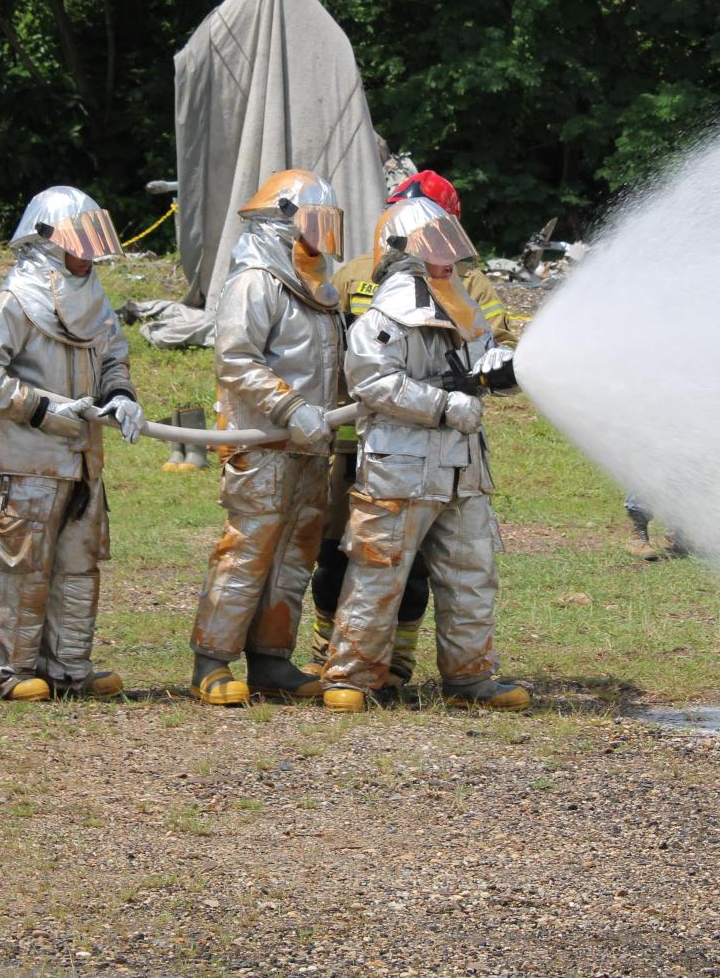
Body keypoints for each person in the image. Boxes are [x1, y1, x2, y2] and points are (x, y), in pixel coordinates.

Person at [319, 195, 529, 712]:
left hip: (462, 467)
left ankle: (471, 678)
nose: (446, 259)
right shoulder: (388, 309)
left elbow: (481, 356)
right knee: (378, 571)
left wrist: (503, 369)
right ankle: (351, 676)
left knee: (471, 574)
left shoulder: (458, 298)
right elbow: (371, 380)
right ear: (401, 250)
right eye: (433, 248)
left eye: (448, 247)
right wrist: (442, 405)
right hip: (401, 468)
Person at [0, 186, 142, 701]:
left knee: (78, 566)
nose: (87, 255)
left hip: (82, 462)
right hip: (25, 463)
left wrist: (121, 395)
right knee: (19, 567)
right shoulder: (17, 299)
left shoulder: (95, 301)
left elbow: (113, 356)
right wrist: (40, 407)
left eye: (92, 243)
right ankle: (7, 671)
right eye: (77, 243)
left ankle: (67, 668)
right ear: (46, 242)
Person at [189, 170, 344, 706]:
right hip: (262, 445)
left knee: (294, 555)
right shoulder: (256, 279)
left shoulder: (317, 283)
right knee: (248, 551)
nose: (323, 233)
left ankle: (271, 660)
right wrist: (290, 406)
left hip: (309, 445)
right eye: (314, 220)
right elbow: (235, 358)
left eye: (329, 222)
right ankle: (212, 661)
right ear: (284, 219)